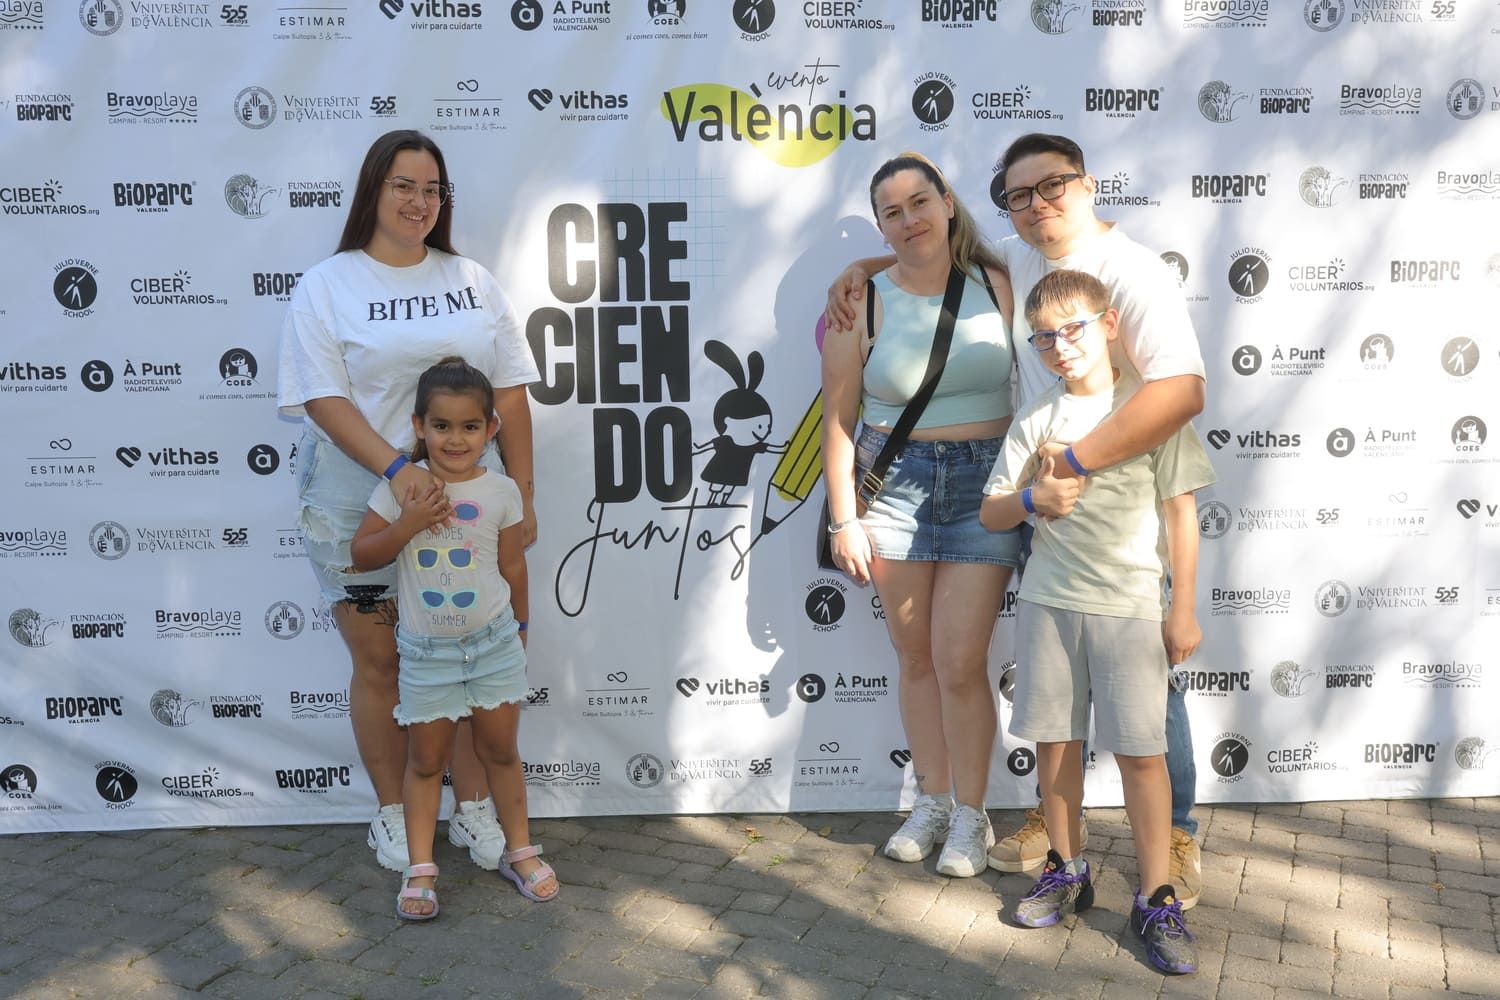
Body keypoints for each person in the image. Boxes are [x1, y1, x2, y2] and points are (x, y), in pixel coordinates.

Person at [825, 132, 1208, 906]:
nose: (1037, 205)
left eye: (1052, 187)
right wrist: (859, 269)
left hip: (1097, 495)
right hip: (1002, 489)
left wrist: (1075, 462)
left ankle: (1175, 832)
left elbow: (1182, 393)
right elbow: (919, 263)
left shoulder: (1130, 273)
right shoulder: (1012, 257)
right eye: (1020, 195)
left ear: (1088, 184)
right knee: (1044, 675)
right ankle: (1026, 823)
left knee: (1141, 678)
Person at [277, 129, 539, 874]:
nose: (419, 202)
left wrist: (523, 492)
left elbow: (512, 396)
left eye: (432, 189)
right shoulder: (328, 285)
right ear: (373, 190)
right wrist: (396, 468)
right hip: (355, 492)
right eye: (403, 185)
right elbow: (322, 398)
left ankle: (473, 808)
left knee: (463, 652)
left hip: (465, 503)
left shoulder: (472, 280)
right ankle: (394, 814)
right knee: (383, 662)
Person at [980, 269, 1210, 974]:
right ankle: (1067, 868)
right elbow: (992, 511)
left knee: (1143, 753)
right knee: (1056, 741)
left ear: (1109, 325)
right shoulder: (1037, 416)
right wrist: (1034, 497)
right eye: (1043, 337)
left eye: (1072, 328)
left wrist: (1182, 609)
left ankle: (1155, 896)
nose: (1059, 346)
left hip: (1133, 605)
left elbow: (1181, 514)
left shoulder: (1150, 408)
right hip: (1050, 603)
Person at [822, 152, 1021, 878]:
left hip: (984, 487)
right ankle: (932, 799)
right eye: (891, 213)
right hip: (895, 487)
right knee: (914, 660)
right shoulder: (859, 300)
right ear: (881, 223)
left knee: (961, 663)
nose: (909, 221)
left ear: (946, 201)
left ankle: (972, 814)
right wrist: (845, 517)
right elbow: (839, 419)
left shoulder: (997, 282)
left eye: (919, 203)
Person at [351, 358, 558, 918]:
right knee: (425, 762)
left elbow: (514, 566)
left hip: (493, 644)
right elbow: (362, 553)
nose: (455, 438)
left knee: (499, 751)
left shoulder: (503, 491)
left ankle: (520, 850)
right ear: (418, 426)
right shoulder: (402, 488)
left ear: (491, 429)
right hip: (427, 653)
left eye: (470, 426)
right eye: (441, 426)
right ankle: (421, 870)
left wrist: (521, 627)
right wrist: (406, 525)